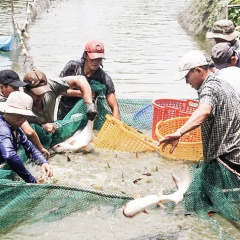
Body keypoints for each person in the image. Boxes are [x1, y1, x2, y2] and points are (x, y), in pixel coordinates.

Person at [159, 50, 240, 173]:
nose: (187, 82)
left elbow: (204, 110)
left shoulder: (209, 87)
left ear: (198, 71)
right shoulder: (220, 81)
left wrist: (179, 132)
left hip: (228, 159)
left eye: (187, 77)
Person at [57, 40, 121, 120]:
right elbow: (57, 91)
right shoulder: (72, 67)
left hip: (87, 117)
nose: (96, 61)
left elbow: (114, 107)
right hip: (65, 114)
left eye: (99, 58)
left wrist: (116, 127)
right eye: (93, 58)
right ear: (85, 55)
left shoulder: (104, 78)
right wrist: (82, 93)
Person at [0, 91, 53, 183]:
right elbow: (9, 155)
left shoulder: (16, 129)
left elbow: (30, 148)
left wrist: (43, 162)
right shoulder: (2, 127)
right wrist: (31, 180)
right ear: (7, 112)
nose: (22, 121)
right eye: (19, 116)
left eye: (25, 117)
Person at [23, 69, 97, 134]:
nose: (41, 96)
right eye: (36, 93)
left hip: (52, 133)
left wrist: (89, 104)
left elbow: (80, 79)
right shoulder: (20, 103)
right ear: (25, 90)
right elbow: (20, 129)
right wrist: (42, 128)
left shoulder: (51, 85)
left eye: (43, 92)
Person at [0, 70, 50, 158]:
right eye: (15, 88)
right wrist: (41, 148)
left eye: (18, 88)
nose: (18, 91)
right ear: (1, 87)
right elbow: (29, 131)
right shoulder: (4, 103)